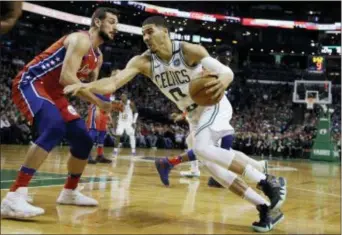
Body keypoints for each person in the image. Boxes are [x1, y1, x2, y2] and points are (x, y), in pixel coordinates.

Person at [64, 16, 286, 232]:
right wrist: (86, 87)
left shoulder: (189, 50)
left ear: (165, 32)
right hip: (192, 116)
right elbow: (113, 83)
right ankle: (265, 207)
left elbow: (225, 71)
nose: (146, 38)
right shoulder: (143, 61)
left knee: (201, 148)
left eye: (150, 32)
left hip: (213, 105)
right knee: (213, 167)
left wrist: (223, 81)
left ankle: (267, 181)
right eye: (143, 34)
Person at [1, 7, 119, 220]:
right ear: (97, 22)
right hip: (32, 82)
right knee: (54, 127)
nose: (115, 27)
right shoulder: (80, 40)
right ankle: (14, 196)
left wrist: (105, 101)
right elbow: (67, 77)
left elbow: (84, 87)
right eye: (111, 22)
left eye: (117, 24)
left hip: (56, 93)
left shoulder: (98, 57)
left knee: (83, 139)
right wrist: (99, 102)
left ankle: (69, 192)